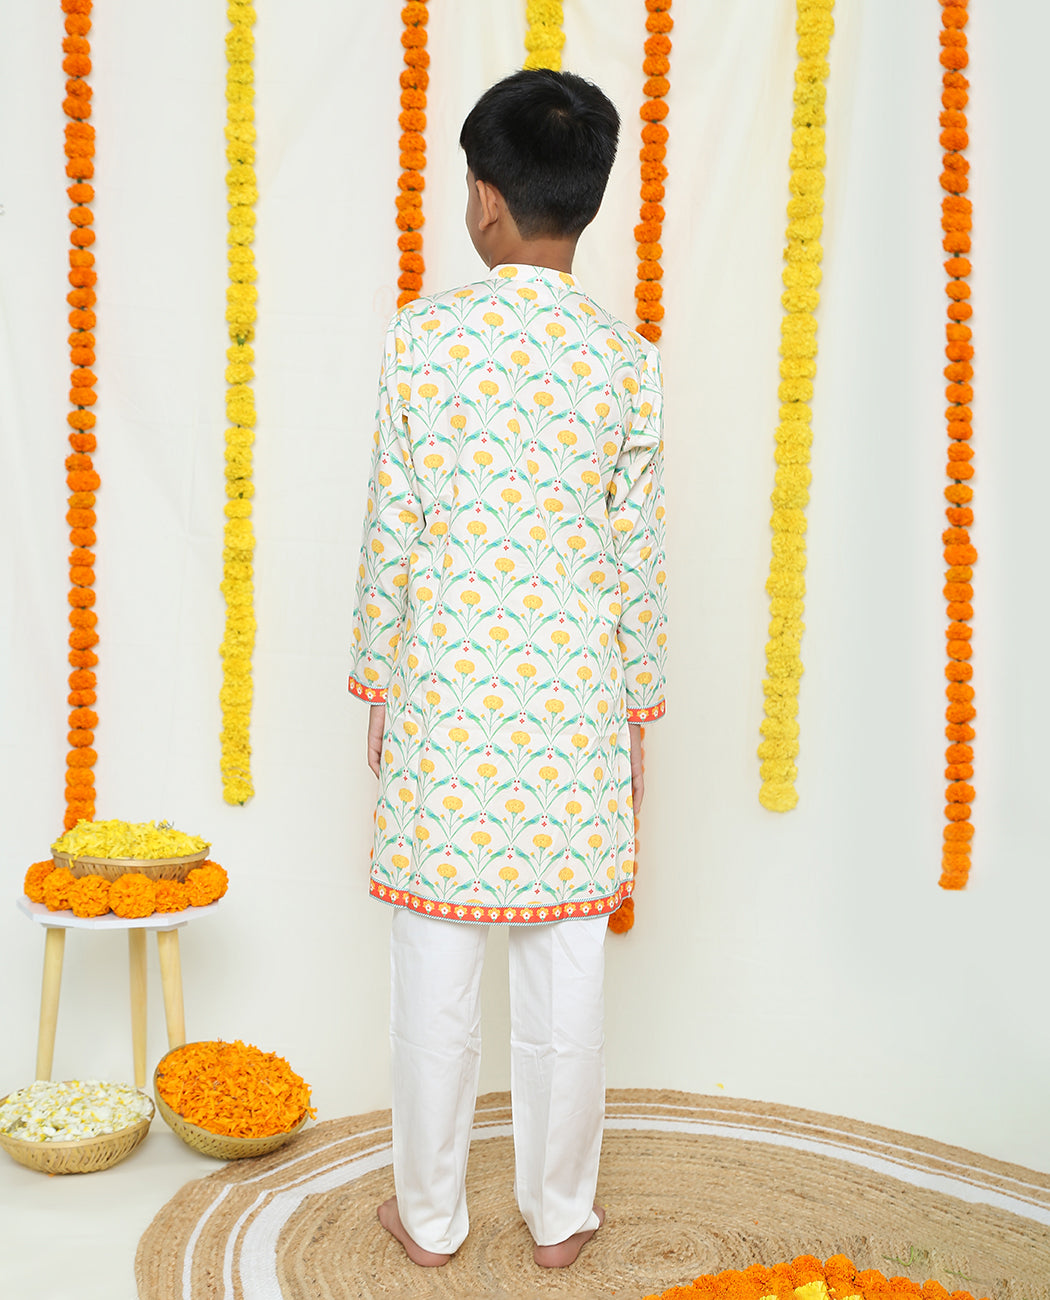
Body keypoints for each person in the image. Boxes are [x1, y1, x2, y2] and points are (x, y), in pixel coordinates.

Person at [348, 67, 667, 1270]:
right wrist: (636, 709)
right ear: (586, 199)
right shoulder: (625, 360)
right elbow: (638, 558)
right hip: (577, 706)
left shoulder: (424, 341)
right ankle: (561, 1214)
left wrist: (379, 681)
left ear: (485, 199)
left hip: (446, 698)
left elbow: (392, 531)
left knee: (433, 981)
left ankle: (429, 1216)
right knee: (568, 977)